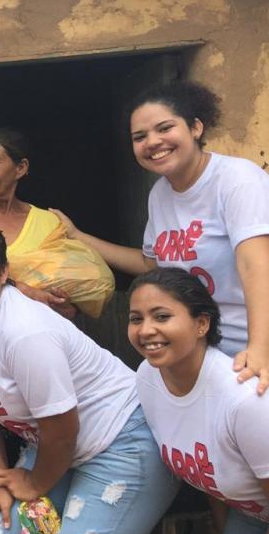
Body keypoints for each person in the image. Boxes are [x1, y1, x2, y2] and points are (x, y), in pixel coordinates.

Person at [0, 217, 178, 534]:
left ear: (3, 273)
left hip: (121, 444)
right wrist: (0, 477)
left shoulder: (24, 333)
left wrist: (33, 484)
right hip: (56, 451)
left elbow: (62, 430)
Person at [54, 81, 269, 392]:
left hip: (249, 353)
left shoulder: (236, 179)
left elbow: (257, 265)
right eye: (139, 137)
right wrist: (77, 235)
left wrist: (260, 348)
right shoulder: (160, 194)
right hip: (202, 354)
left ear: (196, 127)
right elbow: (151, 264)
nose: (152, 142)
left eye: (164, 128)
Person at [130, 266, 269, 534]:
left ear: (201, 324)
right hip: (252, 515)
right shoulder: (148, 379)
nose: (145, 330)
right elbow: (213, 476)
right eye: (136, 318)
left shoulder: (243, 400)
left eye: (162, 316)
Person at [0, 128, 113, 319]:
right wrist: (24, 290)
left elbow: (80, 285)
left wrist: (65, 306)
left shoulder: (49, 223)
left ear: (21, 168)